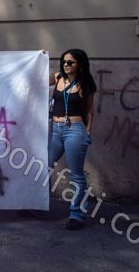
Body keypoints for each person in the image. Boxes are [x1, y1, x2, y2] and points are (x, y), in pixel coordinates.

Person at [48, 48, 96, 230]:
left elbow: (90, 110)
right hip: (55, 130)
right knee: (44, 165)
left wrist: (88, 131)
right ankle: (35, 204)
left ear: (80, 64)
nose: (65, 65)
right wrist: (39, 58)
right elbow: (37, 79)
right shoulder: (58, 77)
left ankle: (77, 214)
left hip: (74, 130)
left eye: (70, 62)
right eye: (64, 62)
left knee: (75, 173)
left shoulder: (85, 83)